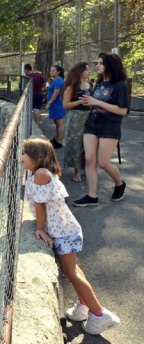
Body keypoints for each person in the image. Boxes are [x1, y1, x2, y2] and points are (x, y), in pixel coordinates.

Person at [22, 137, 120, 335]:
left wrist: (40, 229)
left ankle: (99, 314)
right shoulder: (39, 172)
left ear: (37, 156)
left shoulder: (41, 174)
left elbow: (40, 205)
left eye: (24, 153)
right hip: (65, 230)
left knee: (71, 272)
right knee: (72, 270)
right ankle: (84, 304)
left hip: (63, 233)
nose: (21, 156)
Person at [73, 52, 129, 207]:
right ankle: (92, 196)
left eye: (100, 63)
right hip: (92, 123)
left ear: (109, 65)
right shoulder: (100, 83)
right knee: (90, 159)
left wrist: (97, 101)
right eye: (97, 63)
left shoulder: (120, 85)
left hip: (109, 126)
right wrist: (89, 102)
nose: (96, 66)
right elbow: (97, 103)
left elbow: (122, 110)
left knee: (103, 163)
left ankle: (119, 184)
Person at [62, 62, 92, 182]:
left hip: (89, 117)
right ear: (80, 72)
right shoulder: (71, 87)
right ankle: (77, 171)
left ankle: (86, 168)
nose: (89, 72)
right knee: (76, 144)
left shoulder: (90, 85)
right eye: (87, 70)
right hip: (75, 118)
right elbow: (65, 105)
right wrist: (80, 102)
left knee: (88, 145)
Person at [46, 65, 66, 148]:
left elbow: (56, 93)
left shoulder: (59, 80)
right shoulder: (55, 80)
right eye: (51, 70)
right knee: (57, 122)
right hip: (55, 104)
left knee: (59, 123)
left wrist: (49, 103)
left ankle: (59, 141)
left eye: (53, 70)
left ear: (58, 72)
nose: (51, 72)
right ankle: (56, 139)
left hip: (57, 104)